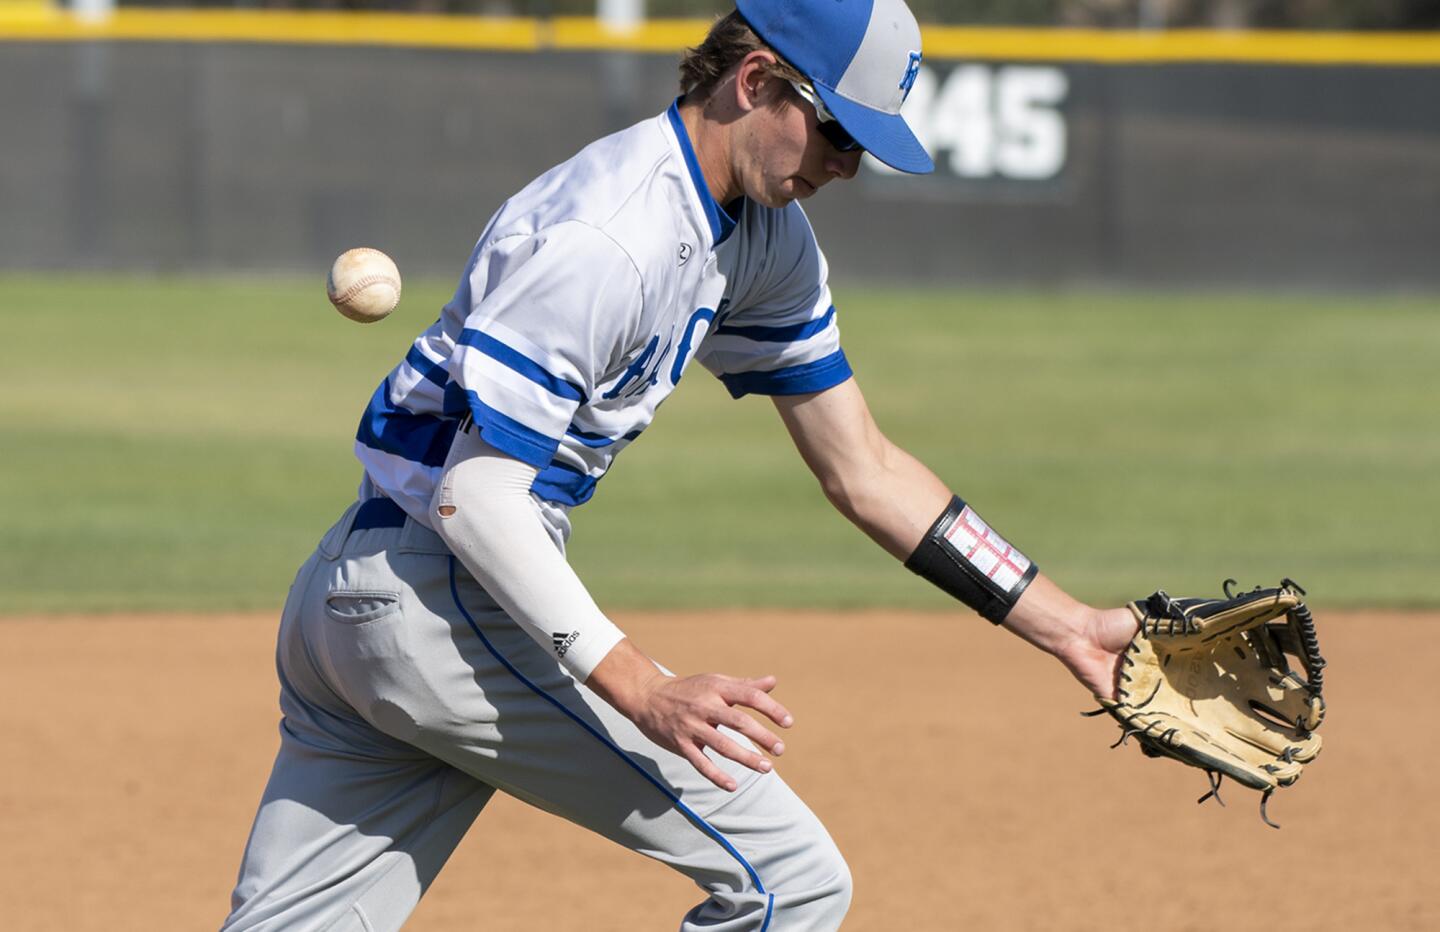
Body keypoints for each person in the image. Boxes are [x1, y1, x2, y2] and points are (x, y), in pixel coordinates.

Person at [222, 1, 1139, 929]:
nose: (845, 165)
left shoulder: (764, 232)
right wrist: (639, 684)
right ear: (755, 82)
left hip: (358, 597)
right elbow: (475, 498)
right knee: (792, 884)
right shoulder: (612, 236)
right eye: (837, 131)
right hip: (445, 595)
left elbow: (864, 468)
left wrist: (1067, 627)